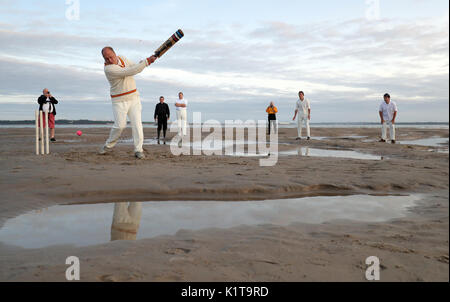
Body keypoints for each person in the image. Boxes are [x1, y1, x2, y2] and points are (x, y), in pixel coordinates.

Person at [98, 46, 157, 159]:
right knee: (120, 126)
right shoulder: (109, 69)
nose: (109, 60)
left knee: (137, 125)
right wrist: (146, 62)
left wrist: (142, 63)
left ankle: (138, 150)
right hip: (119, 101)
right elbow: (129, 71)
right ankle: (108, 146)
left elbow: (133, 66)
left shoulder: (123, 58)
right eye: (106, 59)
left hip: (134, 98)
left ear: (115, 54)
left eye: (110, 57)